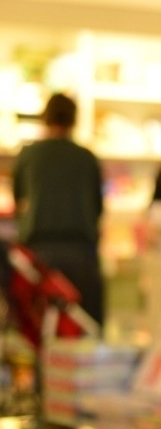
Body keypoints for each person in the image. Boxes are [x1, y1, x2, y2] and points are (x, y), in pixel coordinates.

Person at [12, 92, 105, 328]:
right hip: (81, 253)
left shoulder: (28, 155)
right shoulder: (86, 157)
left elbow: (19, 201)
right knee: (85, 328)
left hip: (38, 253)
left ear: (45, 117)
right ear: (74, 119)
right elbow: (97, 206)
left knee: (38, 329)